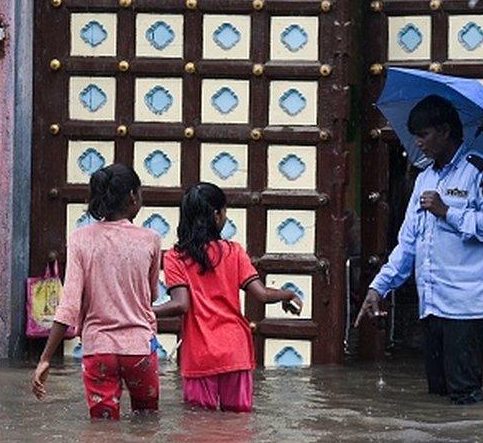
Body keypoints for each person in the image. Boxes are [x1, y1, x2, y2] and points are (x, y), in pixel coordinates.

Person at [355, 95, 483, 405]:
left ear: (445, 131)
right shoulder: (424, 178)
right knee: (438, 396)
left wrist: (448, 212)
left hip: (467, 306)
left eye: (424, 134)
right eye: (416, 135)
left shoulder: (480, 171)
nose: (418, 142)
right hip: (433, 304)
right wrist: (378, 287)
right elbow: (408, 243)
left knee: (465, 395)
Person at [153, 182, 302, 412]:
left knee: (199, 427)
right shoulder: (234, 251)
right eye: (224, 211)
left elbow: (181, 304)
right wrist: (288, 293)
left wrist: (146, 312)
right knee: (238, 424)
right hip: (235, 351)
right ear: (216, 215)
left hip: (200, 355)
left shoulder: (175, 257)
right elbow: (261, 294)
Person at [30, 164, 162, 420]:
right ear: (133, 196)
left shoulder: (80, 238)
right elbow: (152, 295)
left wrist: (45, 358)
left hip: (98, 350)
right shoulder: (151, 238)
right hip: (139, 349)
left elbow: (69, 304)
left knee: (102, 426)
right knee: (147, 422)